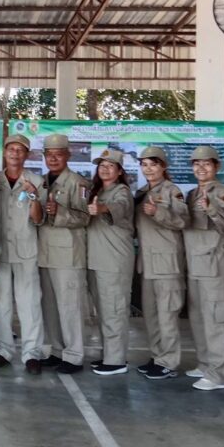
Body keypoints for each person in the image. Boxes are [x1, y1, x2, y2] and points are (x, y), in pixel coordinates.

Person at [0, 133, 47, 374]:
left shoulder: (37, 181)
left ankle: (32, 353)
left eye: (20, 150)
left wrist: (33, 195)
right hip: (0, 250)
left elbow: (39, 218)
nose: (15, 153)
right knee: (2, 304)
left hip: (26, 250)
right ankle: (3, 350)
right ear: (5, 152)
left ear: (27, 154)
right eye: (11, 149)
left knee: (29, 303)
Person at [182, 145, 224, 391]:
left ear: (217, 166)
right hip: (196, 265)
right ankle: (205, 364)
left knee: (216, 321)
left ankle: (218, 375)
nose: (200, 168)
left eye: (206, 163)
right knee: (199, 319)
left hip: (215, 265)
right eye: (196, 164)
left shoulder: (222, 192)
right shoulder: (193, 193)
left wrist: (211, 208)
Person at [36, 133, 91, 374]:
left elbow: (85, 217)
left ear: (68, 155)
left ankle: (74, 355)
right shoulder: (42, 182)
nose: (53, 159)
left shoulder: (78, 183)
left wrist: (59, 212)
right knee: (50, 307)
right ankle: (56, 351)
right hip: (45, 253)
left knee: (70, 307)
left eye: (58, 154)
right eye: (49, 154)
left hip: (68, 256)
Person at [134, 145, 189, 380]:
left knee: (167, 316)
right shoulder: (141, 192)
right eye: (144, 165)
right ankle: (157, 356)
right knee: (152, 316)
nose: (148, 169)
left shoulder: (172, 191)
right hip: (147, 264)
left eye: (153, 165)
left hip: (167, 264)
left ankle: (169, 362)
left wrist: (158, 212)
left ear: (163, 166)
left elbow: (183, 221)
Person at [86, 148, 135, 376]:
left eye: (110, 166)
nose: (105, 169)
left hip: (114, 261)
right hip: (98, 260)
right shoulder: (98, 191)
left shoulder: (122, 191)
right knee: (104, 311)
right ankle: (109, 353)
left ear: (120, 171)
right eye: (102, 165)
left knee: (115, 309)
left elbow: (120, 207)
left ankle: (116, 360)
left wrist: (102, 208)